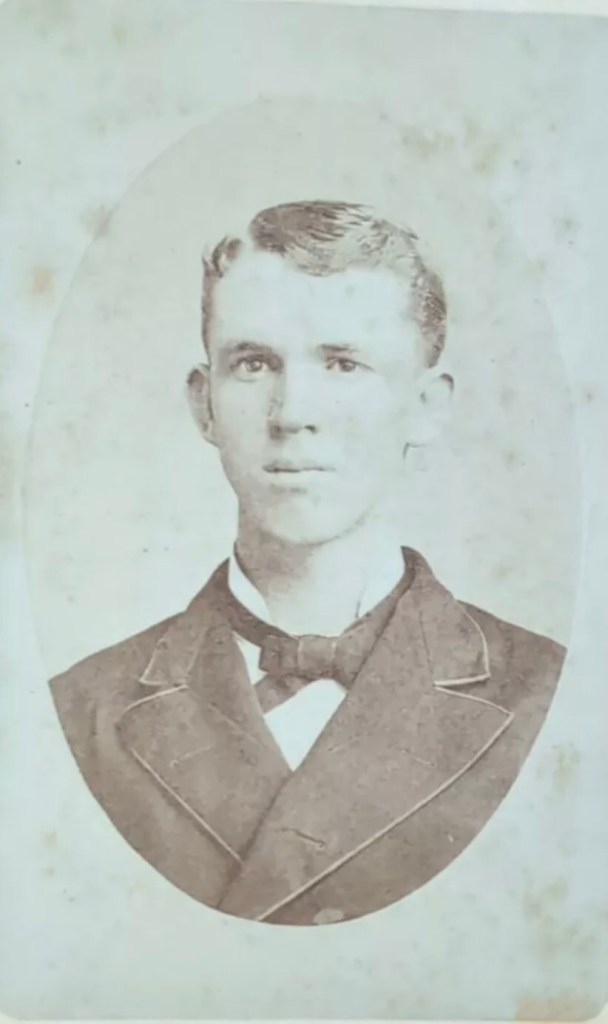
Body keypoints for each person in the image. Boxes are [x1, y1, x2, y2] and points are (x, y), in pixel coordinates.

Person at [50, 200, 565, 926]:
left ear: (426, 406)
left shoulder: (553, 698)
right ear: (204, 405)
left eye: (343, 364)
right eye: (254, 364)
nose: (293, 412)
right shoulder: (79, 713)